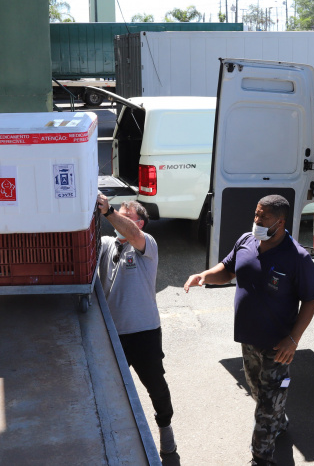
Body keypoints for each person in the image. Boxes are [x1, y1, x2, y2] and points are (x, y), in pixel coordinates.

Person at [183, 195, 314, 466]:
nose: (257, 220)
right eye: (256, 214)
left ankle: (261, 458)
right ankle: (278, 419)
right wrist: (205, 276)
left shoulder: (298, 257)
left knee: (265, 410)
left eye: (264, 217)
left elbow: (310, 301)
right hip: (248, 339)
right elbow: (227, 270)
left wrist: (293, 340)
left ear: (280, 222)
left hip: (278, 346)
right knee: (258, 391)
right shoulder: (246, 241)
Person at [96, 193, 177, 455]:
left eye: (125, 216)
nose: (118, 220)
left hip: (144, 332)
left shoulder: (146, 243)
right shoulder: (106, 244)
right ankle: (114, 435)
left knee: (155, 385)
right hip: (112, 333)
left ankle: (165, 427)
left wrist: (109, 212)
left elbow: (131, 233)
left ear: (139, 223)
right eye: (117, 216)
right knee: (110, 387)